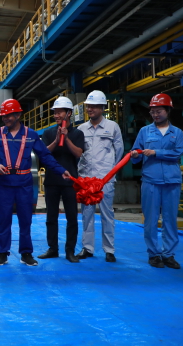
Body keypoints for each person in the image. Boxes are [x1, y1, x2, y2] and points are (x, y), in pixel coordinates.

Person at [0, 99, 71, 266]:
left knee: (25, 220)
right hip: (4, 183)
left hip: (24, 184)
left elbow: (45, 155)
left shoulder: (30, 135)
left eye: (9, 115)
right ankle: (2, 253)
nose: (5, 119)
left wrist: (61, 170)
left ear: (18, 115)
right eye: (3, 116)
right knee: (3, 220)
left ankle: (26, 253)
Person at [131, 94, 183, 269]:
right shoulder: (144, 132)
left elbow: (178, 153)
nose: (155, 114)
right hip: (151, 181)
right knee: (151, 220)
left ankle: (169, 255)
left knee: (170, 219)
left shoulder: (177, 133)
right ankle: (154, 254)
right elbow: (135, 155)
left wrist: (156, 153)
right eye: (153, 111)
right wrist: (135, 155)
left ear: (168, 111)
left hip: (172, 182)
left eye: (159, 111)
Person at [76, 90, 124, 263]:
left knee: (107, 214)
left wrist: (109, 172)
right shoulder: (81, 129)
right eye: (89, 106)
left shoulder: (112, 127)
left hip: (105, 180)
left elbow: (119, 151)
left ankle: (109, 250)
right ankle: (87, 248)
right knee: (86, 215)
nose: (90, 109)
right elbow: (78, 153)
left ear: (103, 108)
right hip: (86, 180)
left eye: (95, 106)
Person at [37, 96, 85, 263]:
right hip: (51, 181)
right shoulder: (48, 133)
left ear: (69, 113)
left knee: (72, 217)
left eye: (59, 112)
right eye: (55, 113)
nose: (56, 115)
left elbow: (78, 153)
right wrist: (57, 140)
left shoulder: (78, 133)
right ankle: (53, 249)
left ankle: (70, 251)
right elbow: (43, 154)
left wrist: (67, 138)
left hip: (70, 181)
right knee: (51, 217)